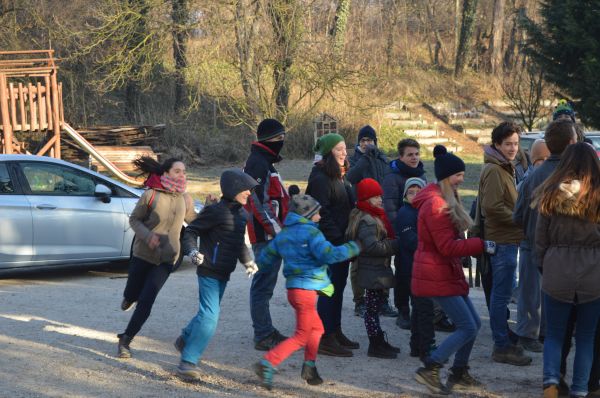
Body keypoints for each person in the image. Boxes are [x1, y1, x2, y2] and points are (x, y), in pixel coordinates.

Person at [412, 145, 497, 395]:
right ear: (446, 177)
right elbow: (447, 247)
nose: (462, 179)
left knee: (474, 325)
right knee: (468, 326)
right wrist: (481, 245)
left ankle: (459, 372)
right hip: (435, 273)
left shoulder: (445, 199)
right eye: (458, 175)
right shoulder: (435, 205)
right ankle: (432, 366)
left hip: (445, 272)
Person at [253, 194, 360, 390]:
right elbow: (329, 254)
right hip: (306, 291)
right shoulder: (312, 234)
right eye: (318, 213)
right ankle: (268, 363)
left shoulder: (284, 234)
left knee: (317, 329)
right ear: (308, 214)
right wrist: (353, 247)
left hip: (294, 290)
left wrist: (255, 266)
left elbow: (266, 256)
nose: (320, 216)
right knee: (302, 335)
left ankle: (309, 367)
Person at [174, 169, 260, 379]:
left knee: (206, 313)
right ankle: (187, 362)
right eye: (245, 189)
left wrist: (248, 260)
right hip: (208, 271)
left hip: (224, 272)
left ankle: (184, 339)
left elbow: (238, 243)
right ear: (232, 189)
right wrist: (192, 251)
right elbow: (191, 232)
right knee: (210, 317)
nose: (249, 193)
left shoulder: (241, 215)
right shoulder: (216, 211)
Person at [534, 143, 600, 398]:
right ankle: (581, 389)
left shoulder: (550, 193)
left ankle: (550, 380)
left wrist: (544, 265)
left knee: (555, 334)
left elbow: (541, 238)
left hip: (557, 268)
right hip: (594, 271)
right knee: (586, 337)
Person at [117, 156, 196, 358]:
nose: (182, 175)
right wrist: (148, 236)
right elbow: (134, 220)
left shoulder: (184, 198)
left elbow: (193, 221)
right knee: (132, 293)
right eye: (177, 171)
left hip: (167, 259)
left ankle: (126, 340)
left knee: (147, 301)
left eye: (184, 171)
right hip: (143, 254)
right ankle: (129, 297)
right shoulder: (150, 195)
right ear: (166, 173)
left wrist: (211, 210)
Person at [513, 119, 578, 354]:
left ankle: (533, 332)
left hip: (533, 242)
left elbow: (517, 214)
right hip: (560, 247)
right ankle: (532, 333)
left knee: (533, 291)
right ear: (571, 142)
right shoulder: (572, 178)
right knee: (540, 293)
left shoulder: (533, 176)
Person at [478, 121, 531, 366]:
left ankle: (504, 342)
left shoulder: (504, 167)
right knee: (500, 296)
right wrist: (519, 220)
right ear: (497, 144)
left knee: (501, 294)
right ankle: (501, 346)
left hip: (508, 238)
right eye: (508, 144)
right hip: (502, 240)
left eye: (516, 144)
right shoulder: (495, 170)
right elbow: (491, 207)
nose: (513, 148)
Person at [306, 133, 358, 357]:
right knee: (329, 291)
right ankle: (324, 337)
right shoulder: (320, 178)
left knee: (338, 288)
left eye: (345, 148)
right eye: (338, 149)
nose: (344, 153)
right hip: (329, 244)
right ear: (328, 153)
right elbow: (321, 213)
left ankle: (334, 331)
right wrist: (338, 240)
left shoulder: (340, 176)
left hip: (340, 243)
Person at [244, 118, 291, 351]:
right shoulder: (258, 163)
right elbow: (257, 202)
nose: (281, 142)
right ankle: (262, 334)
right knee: (262, 286)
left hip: (272, 235)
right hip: (266, 237)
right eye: (277, 138)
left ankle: (266, 329)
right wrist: (277, 231)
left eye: (282, 137)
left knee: (266, 285)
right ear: (266, 140)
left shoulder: (266, 162)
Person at [346, 178, 400, 359]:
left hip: (375, 270)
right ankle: (375, 344)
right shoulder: (368, 221)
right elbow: (372, 247)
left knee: (374, 308)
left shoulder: (373, 215)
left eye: (380, 196)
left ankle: (378, 340)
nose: (380, 200)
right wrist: (394, 245)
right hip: (371, 270)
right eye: (375, 197)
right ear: (366, 199)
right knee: (372, 310)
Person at [346, 125, 396, 319]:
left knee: (384, 257)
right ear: (359, 143)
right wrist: (366, 158)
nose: (367, 144)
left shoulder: (383, 159)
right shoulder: (353, 160)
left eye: (370, 140)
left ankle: (383, 300)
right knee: (358, 259)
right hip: (360, 213)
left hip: (381, 212)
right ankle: (360, 302)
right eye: (363, 140)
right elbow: (351, 179)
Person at [382, 138, 426, 329]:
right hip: (403, 233)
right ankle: (403, 310)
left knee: (419, 274)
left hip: (420, 233)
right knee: (404, 274)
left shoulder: (421, 176)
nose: (414, 158)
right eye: (410, 154)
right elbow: (390, 209)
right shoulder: (393, 178)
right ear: (401, 156)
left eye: (416, 154)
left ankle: (419, 310)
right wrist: (399, 233)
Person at [395, 177, 435, 361]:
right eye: (410, 192)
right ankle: (426, 347)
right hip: (410, 268)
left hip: (422, 267)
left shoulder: (423, 211)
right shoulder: (405, 213)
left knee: (420, 308)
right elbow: (411, 241)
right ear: (405, 195)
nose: (414, 195)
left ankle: (417, 345)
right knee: (424, 308)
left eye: (418, 191)